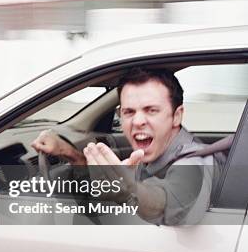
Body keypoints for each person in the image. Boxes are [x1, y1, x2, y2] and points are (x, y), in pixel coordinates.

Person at [31, 67, 224, 225]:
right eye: (129, 112)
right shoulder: (154, 151)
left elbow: (163, 201)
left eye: (151, 110)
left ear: (177, 115)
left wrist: (129, 191)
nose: (138, 120)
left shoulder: (193, 163)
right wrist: (69, 153)